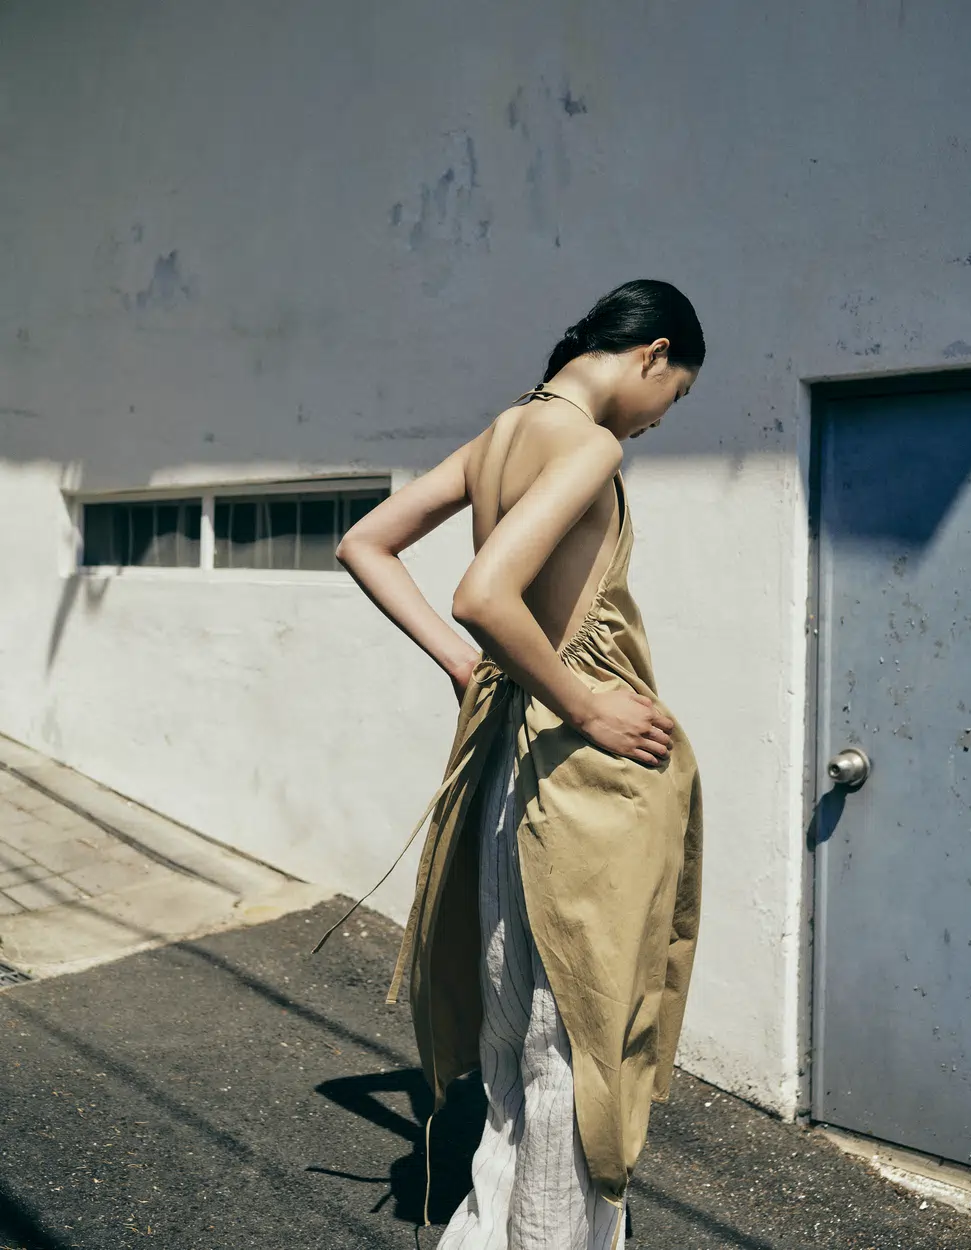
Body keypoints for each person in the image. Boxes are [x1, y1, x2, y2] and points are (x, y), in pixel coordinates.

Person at [317, 278, 706, 1249]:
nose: (663, 417)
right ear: (654, 353)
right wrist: (587, 703)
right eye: (677, 392)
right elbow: (484, 593)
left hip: (505, 756)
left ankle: (497, 1231)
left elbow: (365, 543)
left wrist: (465, 667)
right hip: (576, 772)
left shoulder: (502, 434)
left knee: (516, 1032)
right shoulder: (589, 444)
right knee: (580, 1034)